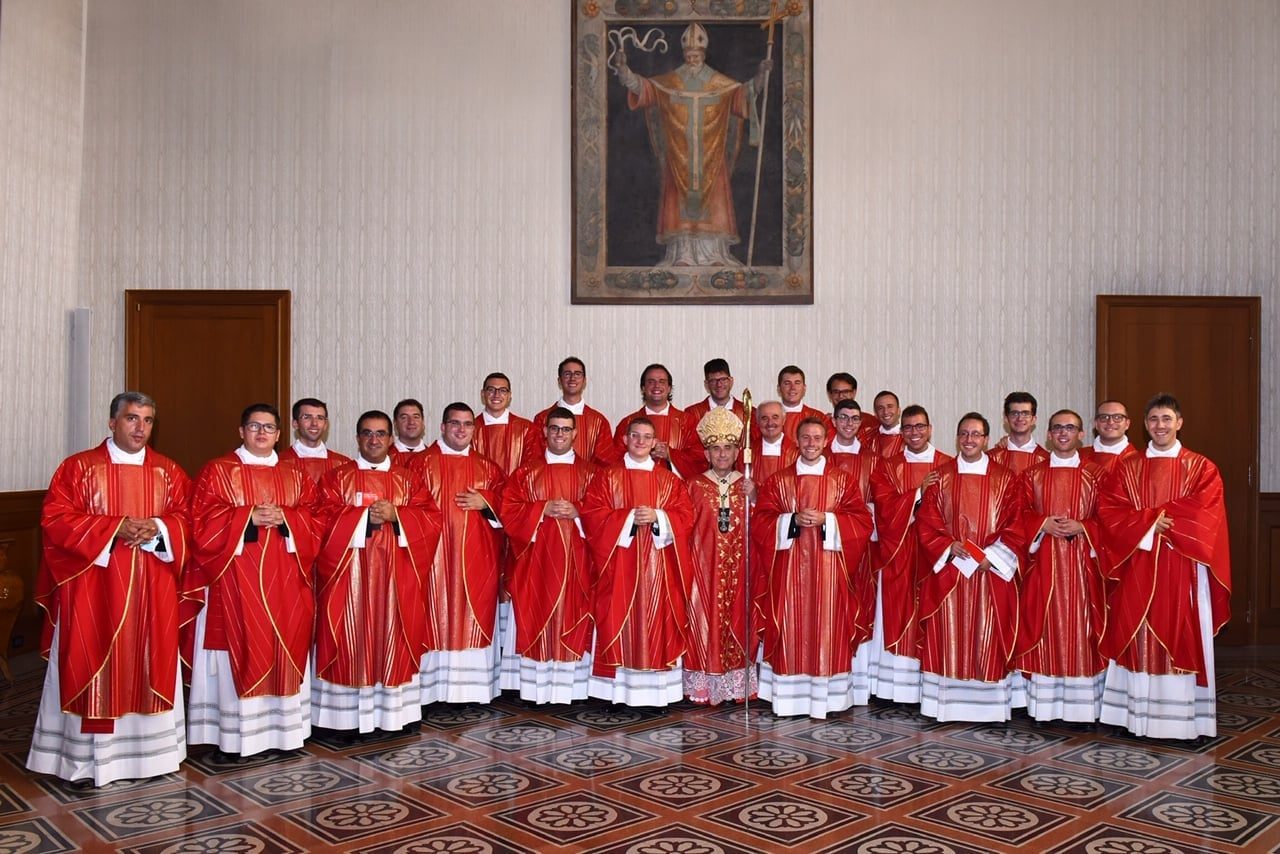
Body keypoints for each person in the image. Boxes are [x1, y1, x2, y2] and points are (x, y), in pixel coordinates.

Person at [28, 392, 191, 786]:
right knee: (91, 656)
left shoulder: (168, 472)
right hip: (93, 587)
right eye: (132, 419)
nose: (140, 429)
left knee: (150, 657)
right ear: (112, 422)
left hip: (152, 587)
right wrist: (114, 526)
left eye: (148, 420)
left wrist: (160, 527)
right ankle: (87, 760)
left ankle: (152, 757)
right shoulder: (79, 468)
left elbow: (188, 518)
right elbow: (56, 519)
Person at [184, 403, 319, 756]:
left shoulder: (295, 474)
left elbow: (316, 520)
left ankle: (284, 734)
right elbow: (199, 523)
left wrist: (287, 518)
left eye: (269, 428)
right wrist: (247, 518)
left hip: (286, 582)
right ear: (241, 431)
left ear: (279, 433)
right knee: (241, 646)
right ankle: (235, 737)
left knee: (284, 645)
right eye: (254, 426)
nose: (262, 433)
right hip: (234, 582)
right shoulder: (218, 471)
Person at [1097, 393, 1230, 740]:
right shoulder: (1128, 468)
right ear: (1145, 424)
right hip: (1138, 562)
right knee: (1134, 632)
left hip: (1183, 564)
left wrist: (1157, 520)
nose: (1160, 426)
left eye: (1167, 419)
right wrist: (1148, 524)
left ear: (1180, 422)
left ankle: (1182, 722)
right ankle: (1133, 717)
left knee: (1181, 631)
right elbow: (1110, 511)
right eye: (1154, 419)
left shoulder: (1202, 467)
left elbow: (1206, 512)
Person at [310, 411, 442, 737]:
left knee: (394, 637)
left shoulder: (408, 480)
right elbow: (320, 521)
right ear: (357, 438)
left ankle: (395, 716)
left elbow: (431, 521)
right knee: (348, 638)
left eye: (381, 434)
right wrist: (363, 517)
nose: (374, 440)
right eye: (367, 434)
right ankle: (345, 720)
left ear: (390, 439)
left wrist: (398, 515)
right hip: (349, 579)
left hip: (397, 578)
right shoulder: (336, 479)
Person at [614, 23, 770, 266]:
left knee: (714, 197)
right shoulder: (671, 82)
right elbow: (644, 88)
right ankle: (682, 255)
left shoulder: (720, 84)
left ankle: (716, 255)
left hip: (711, 155)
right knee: (679, 202)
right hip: (679, 156)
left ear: (704, 55)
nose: (692, 59)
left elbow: (742, 95)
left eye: (696, 55)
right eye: (689, 56)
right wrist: (624, 71)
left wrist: (760, 77)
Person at [753, 417, 874, 718]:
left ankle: (828, 697)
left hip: (829, 570)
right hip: (789, 570)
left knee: (827, 626)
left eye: (817, 438)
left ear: (825, 441)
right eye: (805, 437)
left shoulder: (842, 480)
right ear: (797, 441)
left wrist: (829, 520)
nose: (811, 443)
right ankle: (787, 696)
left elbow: (862, 521)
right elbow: (761, 523)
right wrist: (790, 520)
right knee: (790, 623)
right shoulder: (779, 481)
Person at [915, 412, 1024, 722]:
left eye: (976, 434)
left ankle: (989, 708)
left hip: (990, 570)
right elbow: (927, 522)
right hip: (951, 569)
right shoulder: (941, 476)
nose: (969, 440)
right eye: (964, 434)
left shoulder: (1005, 479)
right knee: (947, 635)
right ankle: (943, 706)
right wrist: (948, 546)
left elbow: (1016, 525)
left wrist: (992, 557)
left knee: (987, 635)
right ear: (957, 437)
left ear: (987, 439)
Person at [581, 416, 695, 706]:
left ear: (655, 442)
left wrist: (659, 517)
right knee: (617, 615)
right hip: (620, 564)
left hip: (659, 568)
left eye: (646, 437)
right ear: (625, 439)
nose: (641, 441)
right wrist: (630, 517)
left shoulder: (669, 480)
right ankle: (617, 693)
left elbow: (685, 517)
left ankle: (659, 695)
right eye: (635, 436)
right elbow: (592, 515)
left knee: (658, 620)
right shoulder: (607, 477)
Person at [406, 403, 507, 703]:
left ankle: (472, 692)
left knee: (473, 615)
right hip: (433, 558)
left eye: (467, 424)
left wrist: (487, 501)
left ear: (474, 430)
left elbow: (511, 505)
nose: (461, 430)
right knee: (431, 614)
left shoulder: (488, 468)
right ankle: (429, 691)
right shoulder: (420, 464)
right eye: (454, 424)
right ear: (441, 427)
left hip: (477, 557)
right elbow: (407, 506)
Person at [1014, 409, 1107, 724]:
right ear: (1049, 435)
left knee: (1082, 626)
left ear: (1082, 434)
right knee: (1043, 623)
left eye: (1070, 427)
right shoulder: (1032, 475)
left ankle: (1084, 707)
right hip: (1044, 565)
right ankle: (1045, 706)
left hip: (1083, 567)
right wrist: (1042, 524)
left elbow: (1111, 518)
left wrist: (1084, 527)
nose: (1063, 433)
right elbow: (1019, 516)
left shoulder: (1098, 475)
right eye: (1057, 428)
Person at [498, 408, 597, 703]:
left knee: (574, 615)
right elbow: (509, 511)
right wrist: (541, 509)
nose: (559, 435)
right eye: (554, 428)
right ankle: (534, 688)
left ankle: (575, 689)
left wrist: (579, 510)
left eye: (566, 430)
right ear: (544, 431)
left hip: (577, 561)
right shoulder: (525, 473)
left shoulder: (591, 473)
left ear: (575, 433)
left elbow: (604, 513)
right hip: (536, 562)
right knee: (536, 608)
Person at [868, 404, 952, 702]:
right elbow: (884, 507)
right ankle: (895, 687)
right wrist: (917, 493)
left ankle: (929, 686)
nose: (914, 432)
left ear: (930, 429)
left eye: (920, 427)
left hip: (934, 555)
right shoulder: (887, 467)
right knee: (898, 610)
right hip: (899, 553)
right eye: (908, 428)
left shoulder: (948, 464)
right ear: (901, 432)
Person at [684, 407, 758, 704]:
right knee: (704, 623)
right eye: (716, 448)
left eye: (728, 448)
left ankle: (735, 683)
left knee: (738, 621)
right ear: (707, 453)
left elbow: (763, 525)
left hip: (740, 570)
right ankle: (704, 685)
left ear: (738, 451)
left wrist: (755, 498)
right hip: (703, 569)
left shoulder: (747, 484)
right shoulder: (694, 485)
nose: (722, 454)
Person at [612, 363, 700, 477]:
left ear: (669, 388)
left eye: (662, 381)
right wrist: (643, 452)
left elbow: (699, 461)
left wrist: (670, 454)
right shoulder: (628, 423)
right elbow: (615, 460)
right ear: (643, 388)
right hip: (636, 485)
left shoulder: (688, 422)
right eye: (651, 382)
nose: (656, 386)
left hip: (678, 489)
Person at [530, 357, 616, 466]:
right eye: (567, 374)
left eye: (577, 374)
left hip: (588, 481)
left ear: (584, 381)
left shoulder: (599, 421)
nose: (572, 378)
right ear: (559, 381)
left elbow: (605, 462)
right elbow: (535, 458)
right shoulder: (542, 418)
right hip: (547, 479)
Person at [681, 357, 749, 460]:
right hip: (703, 472)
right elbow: (690, 451)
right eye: (713, 380)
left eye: (723, 379)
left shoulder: (747, 412)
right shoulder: (692, 414)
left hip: (739, 473)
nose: (719, 384)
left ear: (731, 381)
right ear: (706, 385)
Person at [471, 372, 536, 476]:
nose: (497, 395)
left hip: (516, 490)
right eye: (491, 390)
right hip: (479, 491)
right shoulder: (469, 428)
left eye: (502, 390)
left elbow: (531, 467)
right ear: (483, 394)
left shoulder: (527, 428)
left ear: (509, 395)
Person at [279, 397, 352, 482]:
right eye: (307, 417)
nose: (314, 423)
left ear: (325, 425)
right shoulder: (279, 462)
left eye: (320, 418)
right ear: (295, 424)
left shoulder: (343, 464)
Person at [989, 391, 1049, 477]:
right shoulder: (992, 458)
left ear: (1033, 419)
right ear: (1006, 418)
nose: (1020, 418)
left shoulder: (1046, 459)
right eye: (1014, 413)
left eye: (1025, 413)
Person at [1079, 400, 1139, 474]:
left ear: (1127, 424)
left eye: (1117, 417)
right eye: (1104, 417)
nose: (1110, 422)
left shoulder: (1139, 460)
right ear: (1096, 424)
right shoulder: (1079, 457)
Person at [750, 400, 798, 483]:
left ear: (783, 420)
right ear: (757, 422)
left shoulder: (796, 452)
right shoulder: (748, 453)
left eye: (775, 417)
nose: (770, 423)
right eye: (764, 418)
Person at [777, 366, 831, 440]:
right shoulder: (768, 418)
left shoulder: (818, 417)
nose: (792, 388)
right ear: (779, 388)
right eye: (787, 383)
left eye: (797, 383)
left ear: (804, 388)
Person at [866, 391, 904, 459]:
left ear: (899, 410)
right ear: (876, 414)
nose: (886, 412)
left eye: (890, 406)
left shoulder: (910, 437)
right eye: (880, 408)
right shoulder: (867, 438)